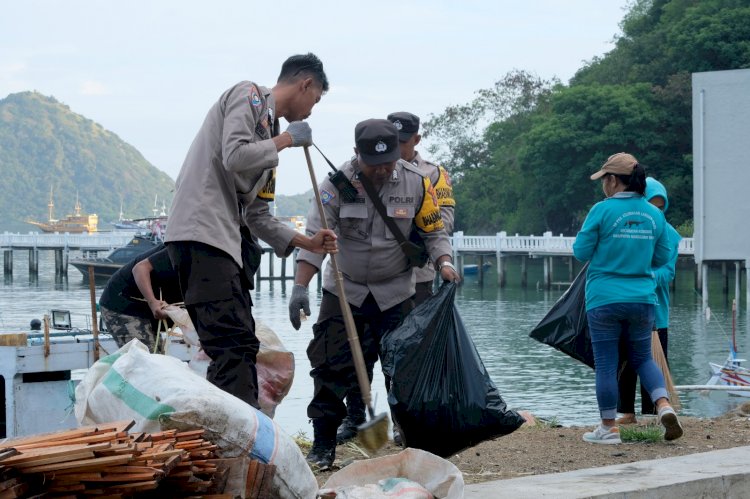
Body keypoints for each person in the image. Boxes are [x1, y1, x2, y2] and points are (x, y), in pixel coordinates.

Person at [165, 53, 338, 410]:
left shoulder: (271, 136)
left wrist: (307, 242)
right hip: (202, 233)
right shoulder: (250, 96)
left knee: (237, 343)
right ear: (304, 84)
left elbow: (258, 214)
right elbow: (234, 156)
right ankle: (238, 440)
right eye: (316, 99)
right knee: (234, 345)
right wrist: (288, 139)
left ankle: (229, 432)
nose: (312, 110)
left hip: (225, 241)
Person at [288, 119, 460, 469]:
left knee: (403, 369)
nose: (382, 170)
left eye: (388, 162)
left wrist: (444, 262)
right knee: (329, 367)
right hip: (345, 289)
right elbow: (313, 240)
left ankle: (411, 440)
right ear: (356, 155)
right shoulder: (336, 186)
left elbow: (434, 232)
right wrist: (300, 287)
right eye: (373, 164)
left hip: (396, 292)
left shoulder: (418, 183)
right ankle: (323, 446)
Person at [572, 152, 683, 444]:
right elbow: (660, 256)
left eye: (604, 179)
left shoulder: (602, 210)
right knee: (644, 358)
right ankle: (663, 405)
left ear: (612, 181)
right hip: (643, 299)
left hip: (604, 297)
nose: (603, 185)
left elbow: (581, 252)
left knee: (607, 363)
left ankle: (608, 427)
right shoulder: (654, 215)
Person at [617, 177, 682, 424]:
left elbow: (668, 272)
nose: (655, 211)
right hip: (629, 305)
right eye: (651, 205)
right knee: (625, 362)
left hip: (657, 312)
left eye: (660, 207)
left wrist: (646, 276)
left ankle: (653, 412)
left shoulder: (671, 235)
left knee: (654, 360)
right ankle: (627, 412)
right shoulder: (631, 229)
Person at [387, 111, 455, 303]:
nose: (396, 148)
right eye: (392, 141)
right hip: (376, 279)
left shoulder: (433, 174)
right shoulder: (374, 171)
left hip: (417, 275)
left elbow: (444, 222)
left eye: (402, 142)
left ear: (416, 139)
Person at [99, 244, 181, 349]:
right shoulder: (186, 249)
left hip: (151, 309)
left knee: (157, 356)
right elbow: (140, 268)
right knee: (146, 359)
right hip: (124, 304)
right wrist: (152, 302)